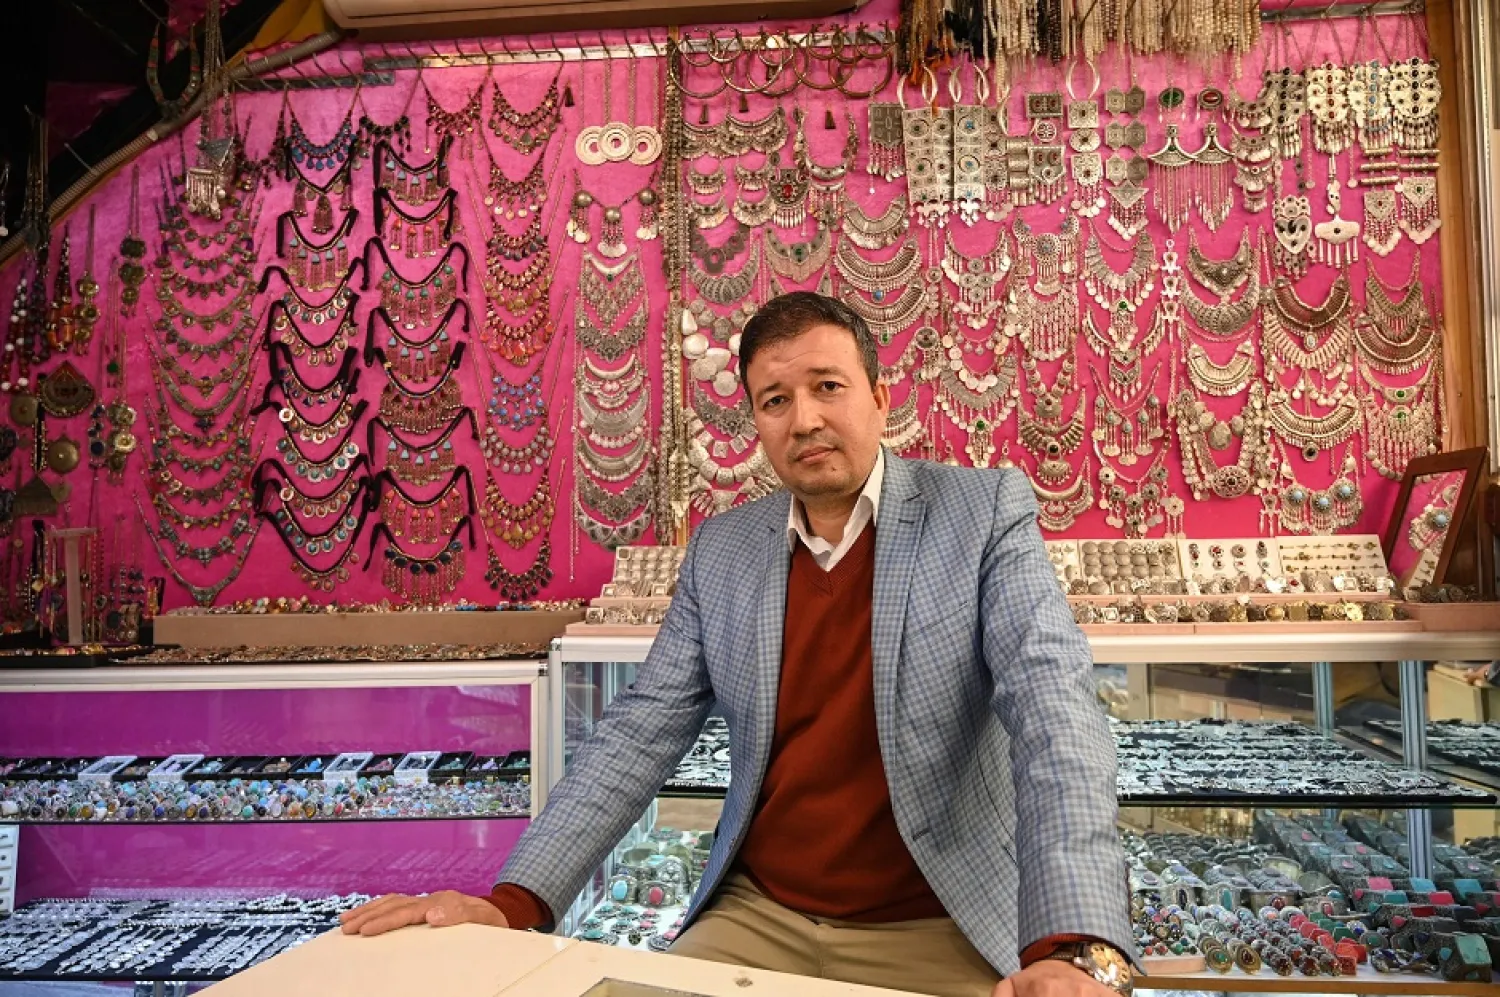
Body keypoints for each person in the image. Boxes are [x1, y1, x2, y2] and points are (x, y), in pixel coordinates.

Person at [340, 292, 1136, 997]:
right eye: (775, 400)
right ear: (756, 421)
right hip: (762, 917)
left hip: (940, 920)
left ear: (880, 397)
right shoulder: (724, 550)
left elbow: (1054, 711)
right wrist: (514, 902)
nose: (806, 419)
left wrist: (1072, 945)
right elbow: (637, 732)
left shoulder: (981, 510)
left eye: (828, 386)